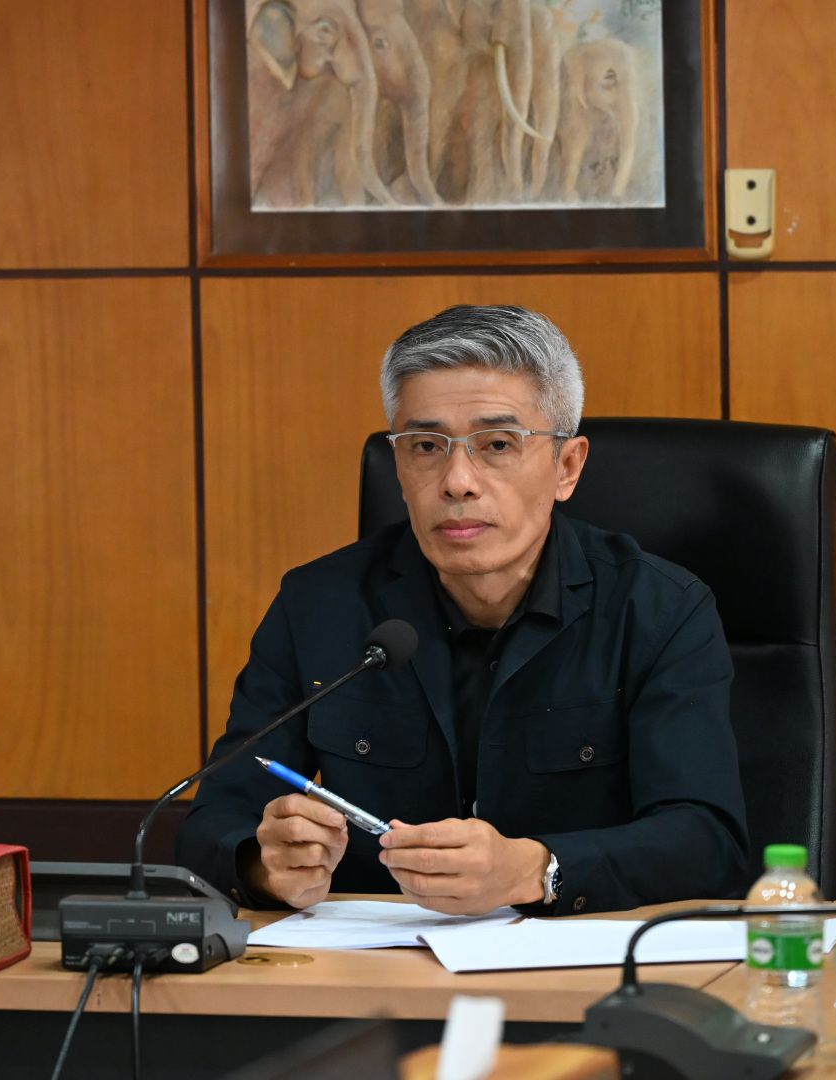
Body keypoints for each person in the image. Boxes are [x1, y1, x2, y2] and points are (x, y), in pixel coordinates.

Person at [175, 305, 748, 915]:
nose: (457, 481)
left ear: (567, 466)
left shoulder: (658, 609)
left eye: (497, 444)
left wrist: (538, 869)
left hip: (582, 957)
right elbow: (213, 822)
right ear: (399, 467)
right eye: (426, 446)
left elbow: (706, 841)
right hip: (370, 957)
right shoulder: (319, 604)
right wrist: (263, 866)